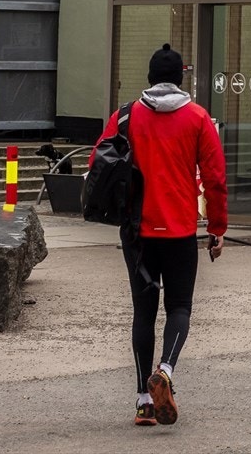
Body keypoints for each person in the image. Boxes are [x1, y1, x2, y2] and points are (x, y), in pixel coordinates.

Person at [91, 43, 228, 428]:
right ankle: (166, 371)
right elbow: (215, 180)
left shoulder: (125, 117)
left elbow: (97, 162)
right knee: (180, 307)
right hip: (181, 229)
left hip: (137, 233)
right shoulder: (199, 118)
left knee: (143, 313)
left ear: (150, 77)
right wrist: (217, 229)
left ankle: (143, 401)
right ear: (181, 79)